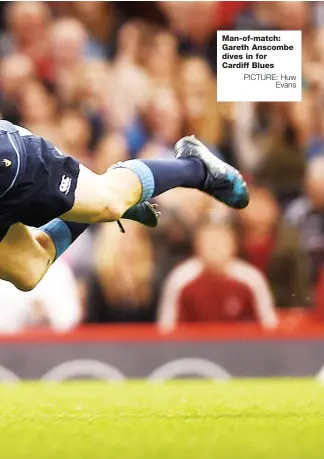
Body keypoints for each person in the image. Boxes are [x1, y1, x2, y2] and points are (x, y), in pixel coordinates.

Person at [0, 120, 249, 291]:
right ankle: (107, 199)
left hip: (9, 165)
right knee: (27, 271)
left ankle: (195, 167)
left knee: (109, 201)